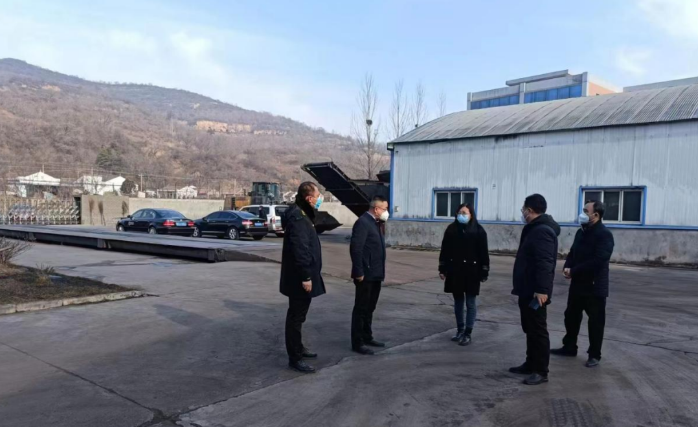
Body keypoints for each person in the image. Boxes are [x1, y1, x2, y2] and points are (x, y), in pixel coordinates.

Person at [552, 200, 614, 368]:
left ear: (596, 215)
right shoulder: (581, 232)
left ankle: (594, 354)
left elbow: (599, 260)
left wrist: (575, 270)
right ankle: (569, 346)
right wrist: (567, 266)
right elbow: (573, 252)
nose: (582, 214)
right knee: (571, 316)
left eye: (586, 211)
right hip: (578, 284)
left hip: (594, 286)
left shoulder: (604, 234)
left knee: (595, 322)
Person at [509, 194, 560, 386]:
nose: (522, 212)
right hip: (527, 288)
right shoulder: (534, 228)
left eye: (523, 209)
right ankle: (530, 363)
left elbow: (545, 262)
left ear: (529, 210)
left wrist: (541, 290)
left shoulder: (542, 231)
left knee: (538, 330)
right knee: (530, 328)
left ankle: (541, 371)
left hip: (535, 291)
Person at [280, 182, 326, 373]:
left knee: (299, 316)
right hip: (299, 278)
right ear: (309, 198)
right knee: (295, 318)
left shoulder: (302, 214)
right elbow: (300, 250)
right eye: (318, 195)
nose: (320, 198)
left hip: (300, 275)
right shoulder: (299, 218)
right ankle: (295, 357)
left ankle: (298, 347)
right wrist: (306, 276)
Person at [438, 203, 490, 346]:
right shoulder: (451, 229)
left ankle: (468, 332)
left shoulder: (478, 231)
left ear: (471, 215)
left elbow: (483, 253)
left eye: (465, 213)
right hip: (455, 270)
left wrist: (484, 270)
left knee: (470, 303)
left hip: (472, 271)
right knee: (458, 302)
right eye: (460, 212)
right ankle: (460, 330)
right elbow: (445, 250)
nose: (462, 215)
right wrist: (442, 268)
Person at [350, 196, 389, 355]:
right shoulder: (363, 222)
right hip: (365, 275)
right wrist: (358, 271)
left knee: (370, 308)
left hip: (376, 273)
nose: (386, 212)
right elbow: (356, 249)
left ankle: (367, 336)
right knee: (361, 308)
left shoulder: (376, 223)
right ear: (376, 209)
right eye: (385, 209)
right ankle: (357, 342)